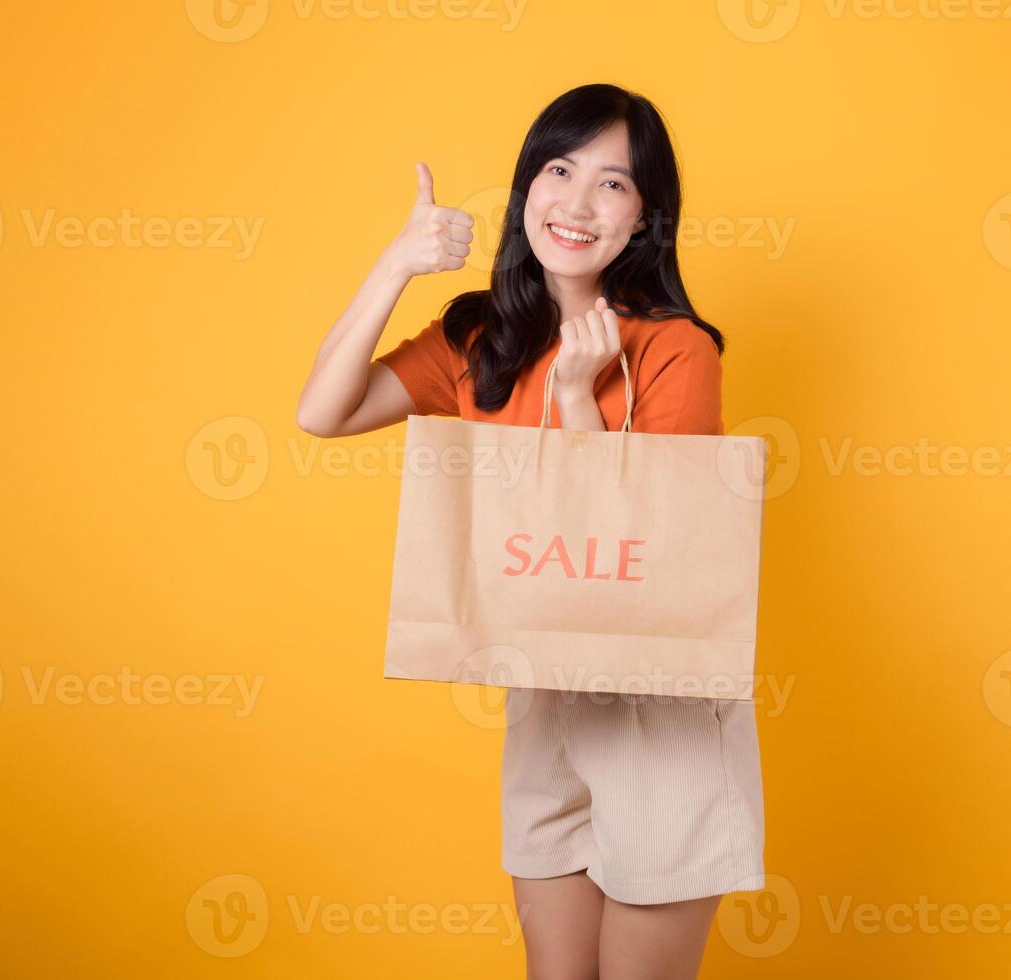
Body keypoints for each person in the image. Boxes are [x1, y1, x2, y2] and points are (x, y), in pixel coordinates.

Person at [296, 82, 765, 980]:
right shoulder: (478, 338)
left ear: (646, 217)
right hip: (542, 694)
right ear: (526, 189)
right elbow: (324, 412)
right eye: (560, 169)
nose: (578, 203)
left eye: (614, 183)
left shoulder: (674, 348)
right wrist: (394, 265)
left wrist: (576, 399)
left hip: (655, 710)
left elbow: (652, 554)